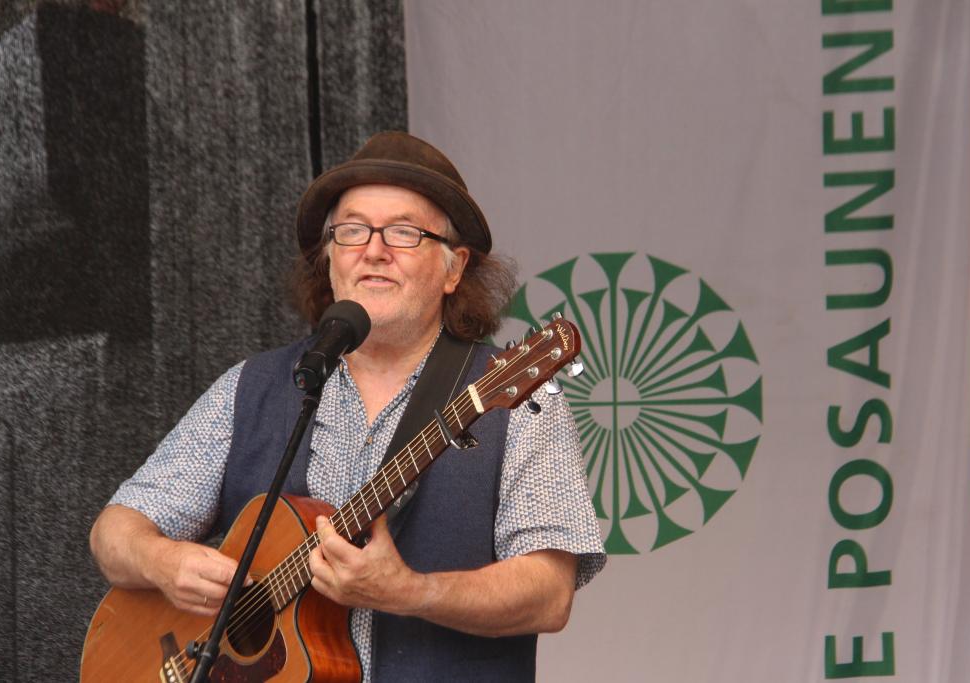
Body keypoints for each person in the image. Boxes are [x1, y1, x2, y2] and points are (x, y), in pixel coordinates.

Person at [89, 131, 605, 681]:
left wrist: (412, 593)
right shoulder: (251, 387)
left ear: (455, 269)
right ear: (329, 257)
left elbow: (549, 596)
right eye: (352, 230)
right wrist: (165, 563)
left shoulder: (519, 398)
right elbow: (114, 533)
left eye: (405, 233)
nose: (373, 249)